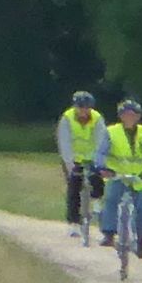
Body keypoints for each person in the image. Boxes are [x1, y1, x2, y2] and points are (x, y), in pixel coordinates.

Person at [93, 98, 142, 257]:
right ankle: (109, 233)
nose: (129, 118)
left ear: (138, 117)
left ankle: (141, 238)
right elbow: (101, 152)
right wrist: (102, 167)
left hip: (141, 177)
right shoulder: (111, 132)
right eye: (126, 115)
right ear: (120, 116)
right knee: (111, 199)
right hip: (118, 175)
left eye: (133, 115)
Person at [55, 90, 103, 227]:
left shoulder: (97, 119)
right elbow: (64, 142)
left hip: (91, 156)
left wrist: (98, 160)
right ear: (75, 106)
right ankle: (74, 222)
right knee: (74, 186)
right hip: (73, 157)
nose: (83, 110)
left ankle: (96, 200)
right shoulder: (67, 118)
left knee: (98, 176)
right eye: (80, 107)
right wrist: (69, 164)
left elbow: (101, 140)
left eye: (87, 107)